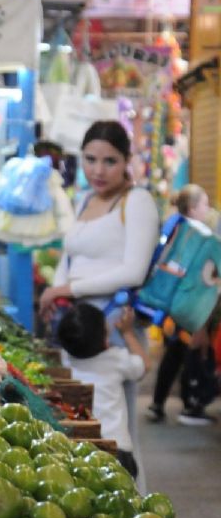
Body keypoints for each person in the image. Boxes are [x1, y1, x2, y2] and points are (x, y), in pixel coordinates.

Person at [38, 120, 160, 492]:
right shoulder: (85, 199)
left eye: (109, 161)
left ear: (126, 161)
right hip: (75, 328)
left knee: (118, 434)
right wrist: (56, 293)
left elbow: (133, 271)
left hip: (114, 330)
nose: (98, 170)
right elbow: (70, 255)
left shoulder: (137, 202)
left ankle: (136, 508)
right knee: (80, 426)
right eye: (90, 159)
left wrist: (67, 289)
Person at [56, 303, 151, 478]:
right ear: (105, 341)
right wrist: (128, 333)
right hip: (117, 449)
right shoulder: (115, 359)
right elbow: (144, 365)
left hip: (80, 448)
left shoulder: (64, 358)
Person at [148, 184, 217, 425]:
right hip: (187, 304)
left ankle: (158, 402)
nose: (208, 210)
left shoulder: (175, 226)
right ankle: (190, 405)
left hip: (170, 304)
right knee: (189, 352)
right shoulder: (198, 235)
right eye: (205, 205)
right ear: (193, 208)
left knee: (174, 353)